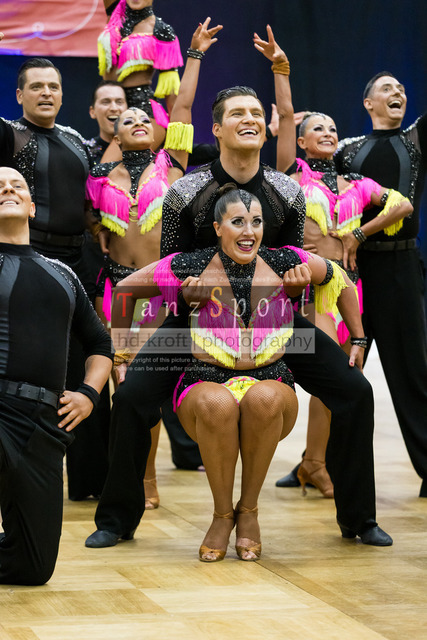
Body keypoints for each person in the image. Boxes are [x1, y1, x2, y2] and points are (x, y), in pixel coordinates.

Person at [85, 28, 392, 549]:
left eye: (255, 113)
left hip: (275, 326)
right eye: (237, 114)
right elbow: (168, 270)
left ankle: (359, 518)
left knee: (356, 393)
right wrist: (137, 339)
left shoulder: (286, 191)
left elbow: (294, 264)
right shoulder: (186, 191)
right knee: (133, 397)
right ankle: (116, 519)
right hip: (194, 323)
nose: (249, 119)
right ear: (217, 128)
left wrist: (311, 298)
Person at [110, 185, 367, 561]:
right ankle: (221, 515)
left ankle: (248, 511)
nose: (249, 231)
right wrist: (121, 353)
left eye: (256, 222)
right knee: (215, 404)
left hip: (270, 376)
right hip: (205, 378)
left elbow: (338, 278)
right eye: (238, 222)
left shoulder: (285, 260)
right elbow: (124, 290)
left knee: (265, 398)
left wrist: (358, 337)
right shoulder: (190, 265)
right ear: (217, 227)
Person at [86, 17, 221, 509]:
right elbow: (89, 222)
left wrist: (195, 55)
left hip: (160, 292)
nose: (138, 122)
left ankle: (149, 478)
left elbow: (181, 105)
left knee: (151, 386)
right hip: (116, 292)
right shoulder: (100, 177)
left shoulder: (172, 165)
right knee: (121, 387)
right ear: (114, 133)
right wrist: (98, 229)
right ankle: (127, 476)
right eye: (127, 121)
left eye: (145, 119)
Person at [276, 112, 413, 496]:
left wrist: (359, 233)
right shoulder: (293, 179)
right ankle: (313, 462)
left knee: (344, 377)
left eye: (333, 128)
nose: (328, 133)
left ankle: (315, 462)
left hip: (349, 289)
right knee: (331, 372)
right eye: (317, 128)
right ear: (301, 142)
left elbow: (402, 205)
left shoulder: (355, 183)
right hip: (311, 288)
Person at [0, 166, 113, 585]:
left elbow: (100, 344)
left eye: (17, 185)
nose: (8, 189)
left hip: (44, 423)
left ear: (32, 207)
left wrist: (88, 394)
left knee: (34, 568)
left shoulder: (62, 273)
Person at [334, 72, 427, 498]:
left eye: (401, 89)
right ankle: (317, 462)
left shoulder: (416, 141)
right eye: (387, 89)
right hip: (352, 271)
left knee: (412, 373)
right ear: (368, 103)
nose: (398, 93)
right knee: (340, 371)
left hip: (399, 269)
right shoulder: (348, 149)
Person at [98, 0, 183, 151]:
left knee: (107, 166)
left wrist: (179, 137)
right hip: (113, 110)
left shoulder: (162, 31)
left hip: (144, 115)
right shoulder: (115, 13)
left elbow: (171, 91)